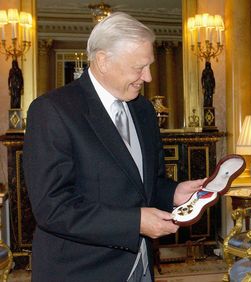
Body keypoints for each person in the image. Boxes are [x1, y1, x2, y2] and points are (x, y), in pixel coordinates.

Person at [23, 12, 204, 282]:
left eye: (150, 65)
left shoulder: (143, 109)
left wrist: (174, 192)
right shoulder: (53, 111)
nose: (149, 77)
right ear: (103, 61)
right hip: (80, 270)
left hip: (140, 263)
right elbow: (53, 207)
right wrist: (135, 223)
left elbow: (145, 184)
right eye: (139, 67)